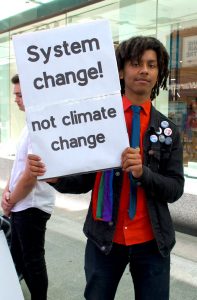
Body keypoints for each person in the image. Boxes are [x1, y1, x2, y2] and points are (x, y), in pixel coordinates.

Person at [27, 36, 184, 300]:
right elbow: (85, 179)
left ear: (159, 72)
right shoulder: (98, 120)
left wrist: (143, 173)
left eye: (151, 64)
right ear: (121, 71)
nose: (144, 70)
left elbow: (175, 188)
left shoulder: (167, 130)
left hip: (153, 243)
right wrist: (56, 177)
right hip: (104, 240)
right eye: (135, 63)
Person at [1, 74, 55, 300]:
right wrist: (7, 191)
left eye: (20, 95)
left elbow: (30, 175)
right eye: (15, 94)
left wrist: (10, 200)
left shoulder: (40, 127)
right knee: (18, 257)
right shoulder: (30, 123)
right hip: (22, 203)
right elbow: (20, 167)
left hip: (31, 205)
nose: (16, 99)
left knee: (32, 261)